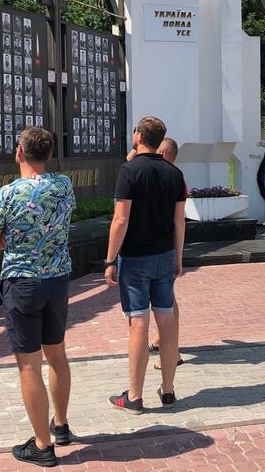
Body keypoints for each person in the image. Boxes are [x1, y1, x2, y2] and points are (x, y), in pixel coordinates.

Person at [0, 127, 76, 467]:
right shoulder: (64, 186)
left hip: (22, 283)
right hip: (57, 281)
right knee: (57, 355)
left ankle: (42, 445)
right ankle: (61, 425)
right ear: (50, 155)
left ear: (19, 152)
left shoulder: (7, 195)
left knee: (28, 364)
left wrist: (14, 242)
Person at [104, 117, 186, 413]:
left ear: (138, 135)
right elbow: (179, 220)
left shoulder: (129, 171)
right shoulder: (174, 173)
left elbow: (121, 219)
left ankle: (135, 396)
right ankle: (168, 390)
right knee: (165, 320)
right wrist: (178, 256)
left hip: (135, 258)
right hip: (165, 255)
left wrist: (110, 259)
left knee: (138, 322)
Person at [146, 137, 186, 370]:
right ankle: (165, 342)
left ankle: (173, 351)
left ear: (162, 153)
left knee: (166, 301)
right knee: (167, 298)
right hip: (168, 246)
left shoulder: (167, 175)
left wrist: (178, 255)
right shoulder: (174, 175)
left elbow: (178, 219)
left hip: (162, 247)